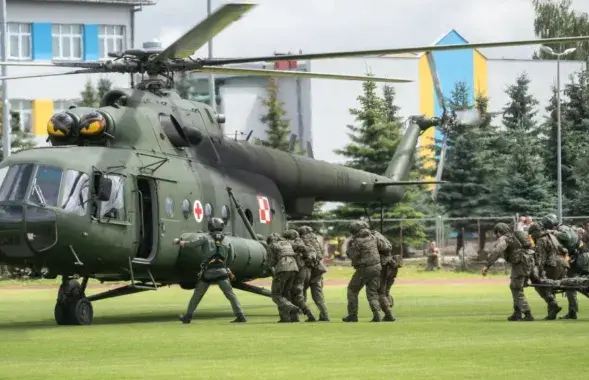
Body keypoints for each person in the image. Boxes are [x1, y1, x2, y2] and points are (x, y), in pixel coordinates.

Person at [175, 218, 247, 324]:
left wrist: (178, 242)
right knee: (230, 295)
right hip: (222, 272)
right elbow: (231, 257)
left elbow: (191, 244)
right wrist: (227, 269)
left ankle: (188, 317)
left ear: (210, 226)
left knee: (197, 295)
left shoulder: (204, 238)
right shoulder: (227, 240)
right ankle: (240, 316)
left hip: (208, 272)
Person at [482, 222, 535, 321]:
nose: (497, 235)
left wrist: (487, 265)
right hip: (529, 263)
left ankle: (527, 313)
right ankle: (517, 313)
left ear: (499, 232)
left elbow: (497, 251)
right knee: (516, 287)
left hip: (520, 264)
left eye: (496, 233)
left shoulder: (505, 239)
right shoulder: (516, 236)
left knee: (516, 288)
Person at [342, 221, 384, 322]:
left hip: (364, 269)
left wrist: (349, 248)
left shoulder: (358, 241)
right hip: (377, 268)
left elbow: (352, 255)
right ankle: (377, 314)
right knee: (372, 292)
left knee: (352, 290)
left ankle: (352, 315)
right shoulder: (373, 237)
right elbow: (382, 247)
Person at [542, 213, 581, 319]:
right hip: (574, 259)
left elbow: (567, 237)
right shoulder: (564, 228)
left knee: (567, 284)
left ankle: (561, 311)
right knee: (570, 285)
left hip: (575, 260)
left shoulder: (562, 229)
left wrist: (553, 232)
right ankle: (572, 312)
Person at [528, 223, 568, 320]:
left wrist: (539, 272)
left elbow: (540, 259)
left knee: (540, 285)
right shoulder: (551, 236)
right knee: (550, 287)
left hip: (553, 264)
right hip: (563, 264)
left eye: (532, 234)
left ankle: (553, 305)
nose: (532, 237)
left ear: (536, 232)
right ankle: (552, 313)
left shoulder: (541, 240)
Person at [282, 229, 317, 322]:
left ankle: (309, 315)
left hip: (298, 272)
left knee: (296, 294)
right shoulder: (302, 244)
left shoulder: (296, 244)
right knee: (294, 295)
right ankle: (295, 317)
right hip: (301, 271)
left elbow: (305, 250)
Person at [364, 222, 397, 322]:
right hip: (390, 264)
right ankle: (388, 314)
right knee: (384, 291)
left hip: (381, 265)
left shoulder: (371, 238)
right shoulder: (380, 236)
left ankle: (387, 314)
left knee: (378, 292)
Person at [266, 233, 301, 323]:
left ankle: (292, 308)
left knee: (276, 294)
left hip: (282, 268)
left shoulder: (272, 245)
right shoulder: (287, 243)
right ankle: (290, 318)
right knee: (286, 294)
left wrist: (269, 265)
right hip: (294, 268)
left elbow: (271, 261)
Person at [298, 225, 330, 321]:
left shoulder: (302, 241)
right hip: (318, 270)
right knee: (318, 295)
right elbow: (320, 255)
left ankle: (303, 313)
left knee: (300, 292)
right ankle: (325, 315)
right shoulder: (316, 240)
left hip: (307, 270)